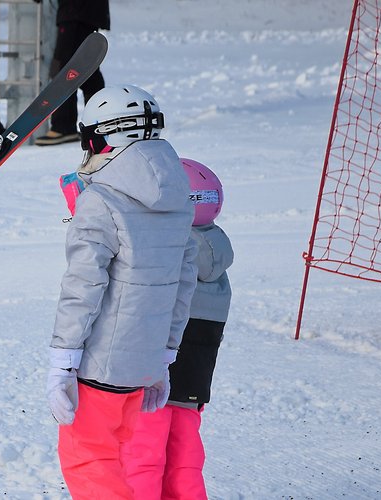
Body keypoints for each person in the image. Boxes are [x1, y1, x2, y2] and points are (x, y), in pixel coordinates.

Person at [46, 84, 197, 498]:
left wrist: (62, 361)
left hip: (101, 366)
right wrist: (164, 354)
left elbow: (83, 286)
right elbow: (183, 282)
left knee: (89, 462)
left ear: (101, 137)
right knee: (122, 464)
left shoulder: (102, 201)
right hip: (143, 366)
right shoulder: (178, 196)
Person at [161, 158, 232, 499]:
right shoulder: (216, 250)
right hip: (195, 379)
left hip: (159, 371)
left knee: (144, 457)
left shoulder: (172, 249)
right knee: (185, 459)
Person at [34, 0, 109, 146]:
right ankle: (98, 119)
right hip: (81, 11)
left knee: (65, 68)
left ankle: (64, 126)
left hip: (75, 11)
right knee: (86, 69)